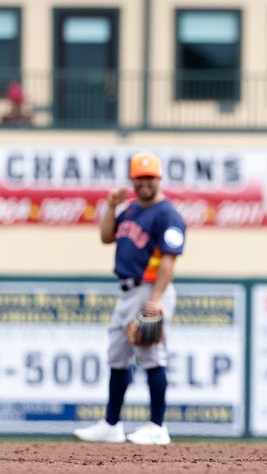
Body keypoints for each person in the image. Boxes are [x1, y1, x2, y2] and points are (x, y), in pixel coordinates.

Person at [73, 152, 186, 445]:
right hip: (127, 291)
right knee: (118, 356)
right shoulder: (132, 209)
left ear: (159, 179)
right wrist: (111, 206)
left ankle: (158, 426)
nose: (145, 182)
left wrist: (156, 298)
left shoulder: (167, 214)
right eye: (140, 177)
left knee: (151, 354)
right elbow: (106, 236)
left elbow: (169, 259)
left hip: (150, 289)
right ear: (132, 180)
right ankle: (111, 424)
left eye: (150, 177)